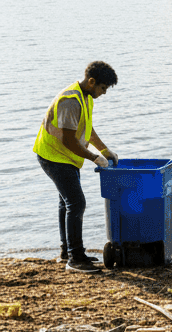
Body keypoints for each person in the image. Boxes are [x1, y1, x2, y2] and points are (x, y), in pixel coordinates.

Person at [33, 61, 119, 273]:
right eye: (103, 88)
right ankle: (75, 259)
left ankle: (67, 252)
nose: (104, 93)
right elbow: (69, 141)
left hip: (66, 157)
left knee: (66, 202)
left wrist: (105, 150)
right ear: (92, 81)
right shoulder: (71, 101)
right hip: (54, 156)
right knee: (76, 203)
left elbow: (87, 129)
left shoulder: (86, 97)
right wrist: (94, 158)